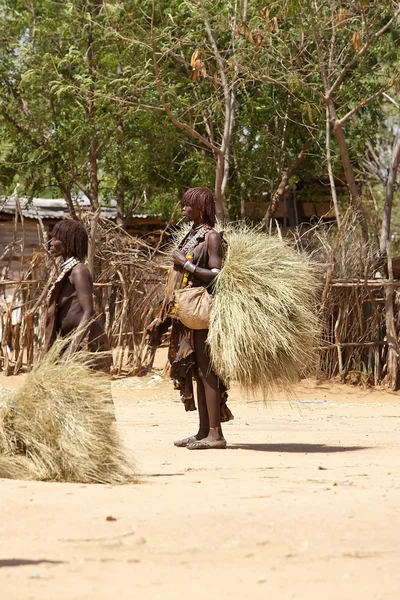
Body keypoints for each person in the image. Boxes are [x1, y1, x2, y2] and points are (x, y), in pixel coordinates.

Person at [149, 187, 233, 449]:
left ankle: (215, 435)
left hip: (202, 312)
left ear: (201, 208)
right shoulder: (192, 235)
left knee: (207, 369)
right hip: (186, 311)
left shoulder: (212, 237)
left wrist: (185, 264)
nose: (183, 208)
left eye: (188, 205)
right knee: (196, 369)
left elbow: (217, 276)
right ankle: (202, 431)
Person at [44, 220, 112, 373]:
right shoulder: (67, 271)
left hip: (85, 343)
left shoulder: (78, 271)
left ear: (68, 243)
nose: (51, 243)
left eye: (56, 239)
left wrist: (73, 347)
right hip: (70, 341)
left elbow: (88, 311)